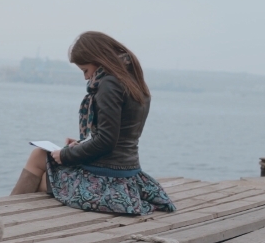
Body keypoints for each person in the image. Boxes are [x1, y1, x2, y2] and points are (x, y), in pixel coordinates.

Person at [10, 31, 176, 215]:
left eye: (85, 70)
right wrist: (82, 144)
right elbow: (118, 137)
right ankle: (10, 215)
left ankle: (7, 215)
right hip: (128, 175)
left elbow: (106, 141)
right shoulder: (132, 81)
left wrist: (66, 155)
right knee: (41, 162)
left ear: (99, 60)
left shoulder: (109, 84)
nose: (86, 78)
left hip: (109, 181)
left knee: (39, 159)